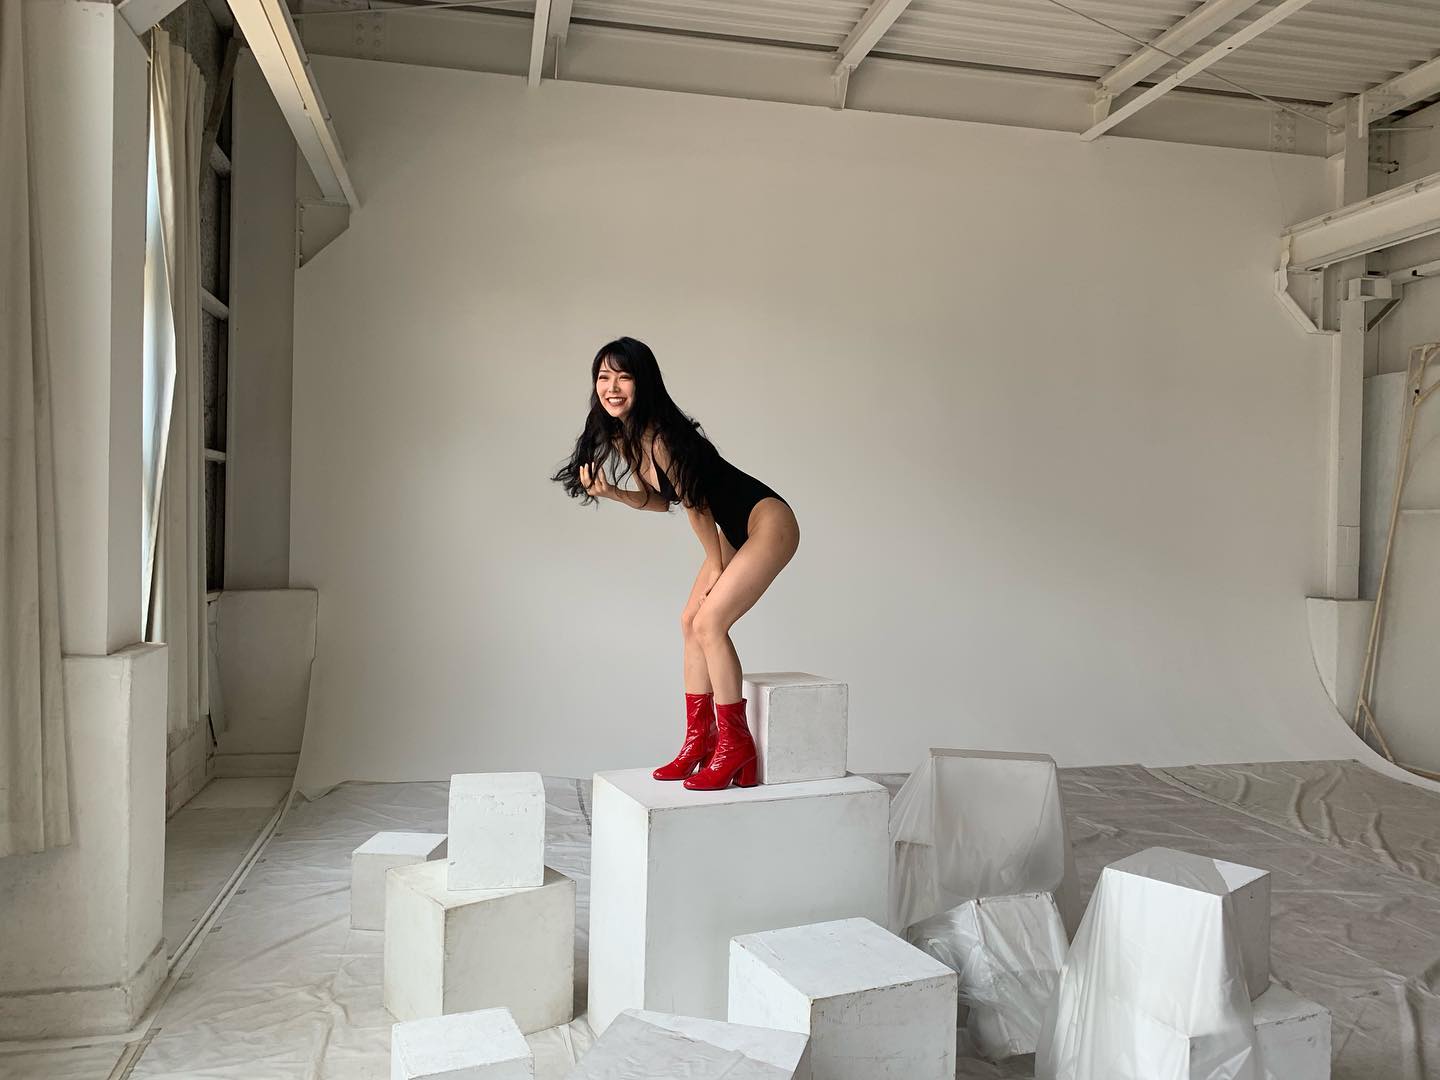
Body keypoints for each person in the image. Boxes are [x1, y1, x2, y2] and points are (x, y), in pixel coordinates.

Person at [552, 337, 800, 790]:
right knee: (690, 622)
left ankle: (735, 746)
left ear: (643, 382)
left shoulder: (662, 437)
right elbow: (658, 500)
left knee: (710, 623)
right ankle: (699, 743)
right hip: (733, 530)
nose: (612, 387)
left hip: (767, 520)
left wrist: (716, 566)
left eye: (623, 376)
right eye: (603, 377)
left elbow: (697, 506)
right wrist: (612, 492)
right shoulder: (628, 436)